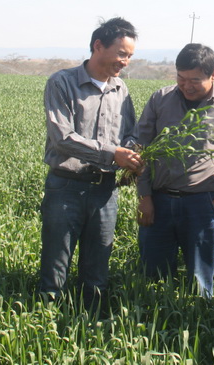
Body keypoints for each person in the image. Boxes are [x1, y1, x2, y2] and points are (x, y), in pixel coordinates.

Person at [39, 17, 144, 312]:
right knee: (55, 266)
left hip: (105, 191)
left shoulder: (120, 89)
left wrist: (134, 154)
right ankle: (46, 323)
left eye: (130, 56)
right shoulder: (62, 82)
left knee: (97, 269)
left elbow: (130, 132)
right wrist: (113, 154)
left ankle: (90, 323)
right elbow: (63, 138)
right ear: (98, 46)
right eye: (121, 54)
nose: (125, 62)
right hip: (66, 187)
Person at [135, 43, 214, 298]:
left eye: (195, 80)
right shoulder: (160, 100)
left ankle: (198, 317)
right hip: (159, 200)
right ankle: (152, 316)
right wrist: (144, 196)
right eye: (181, 78)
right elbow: (141, 148)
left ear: (213, 75)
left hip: (203, 204)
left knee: (199, 280)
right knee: (153, 276)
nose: (186, 86)